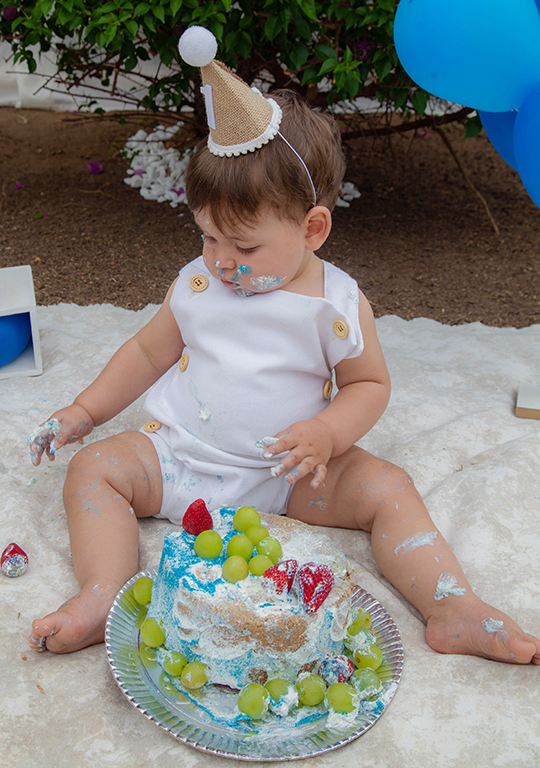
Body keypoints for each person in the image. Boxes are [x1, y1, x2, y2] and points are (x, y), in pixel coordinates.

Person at [28, 32, 540, 664]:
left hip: (287, 477)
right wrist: (85, 411)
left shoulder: (335, 304)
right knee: (94, 469)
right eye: (208, 236)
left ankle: (451, 606)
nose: (221, 261)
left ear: (312, 229)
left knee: (389, 488)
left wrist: (326, 433)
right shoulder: (196, 284)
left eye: (244, 247)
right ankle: (103, 595)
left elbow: (369, 385)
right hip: (181, 459)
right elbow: (145, 353)